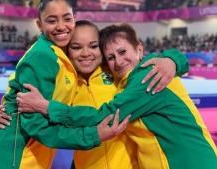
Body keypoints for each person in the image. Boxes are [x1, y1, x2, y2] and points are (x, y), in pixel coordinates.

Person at [17, 23, 217, 169]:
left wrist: (172, 60)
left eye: (123, 52)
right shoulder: (112, 80)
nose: (118, 61)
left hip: (187, 161)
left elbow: (104, 115)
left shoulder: (149, 74)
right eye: (111, 57)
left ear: (139, 49)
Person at [0, 0, 130, 169]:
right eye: (51, 20)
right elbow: (35, 125)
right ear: (39, 25)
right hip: (11, 155)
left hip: (29, 156)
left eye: (67, 18)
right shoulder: (43, 56)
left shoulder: (64, 56)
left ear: (74, 18)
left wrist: (172, 61)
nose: (61, 26)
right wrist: (93, 135)